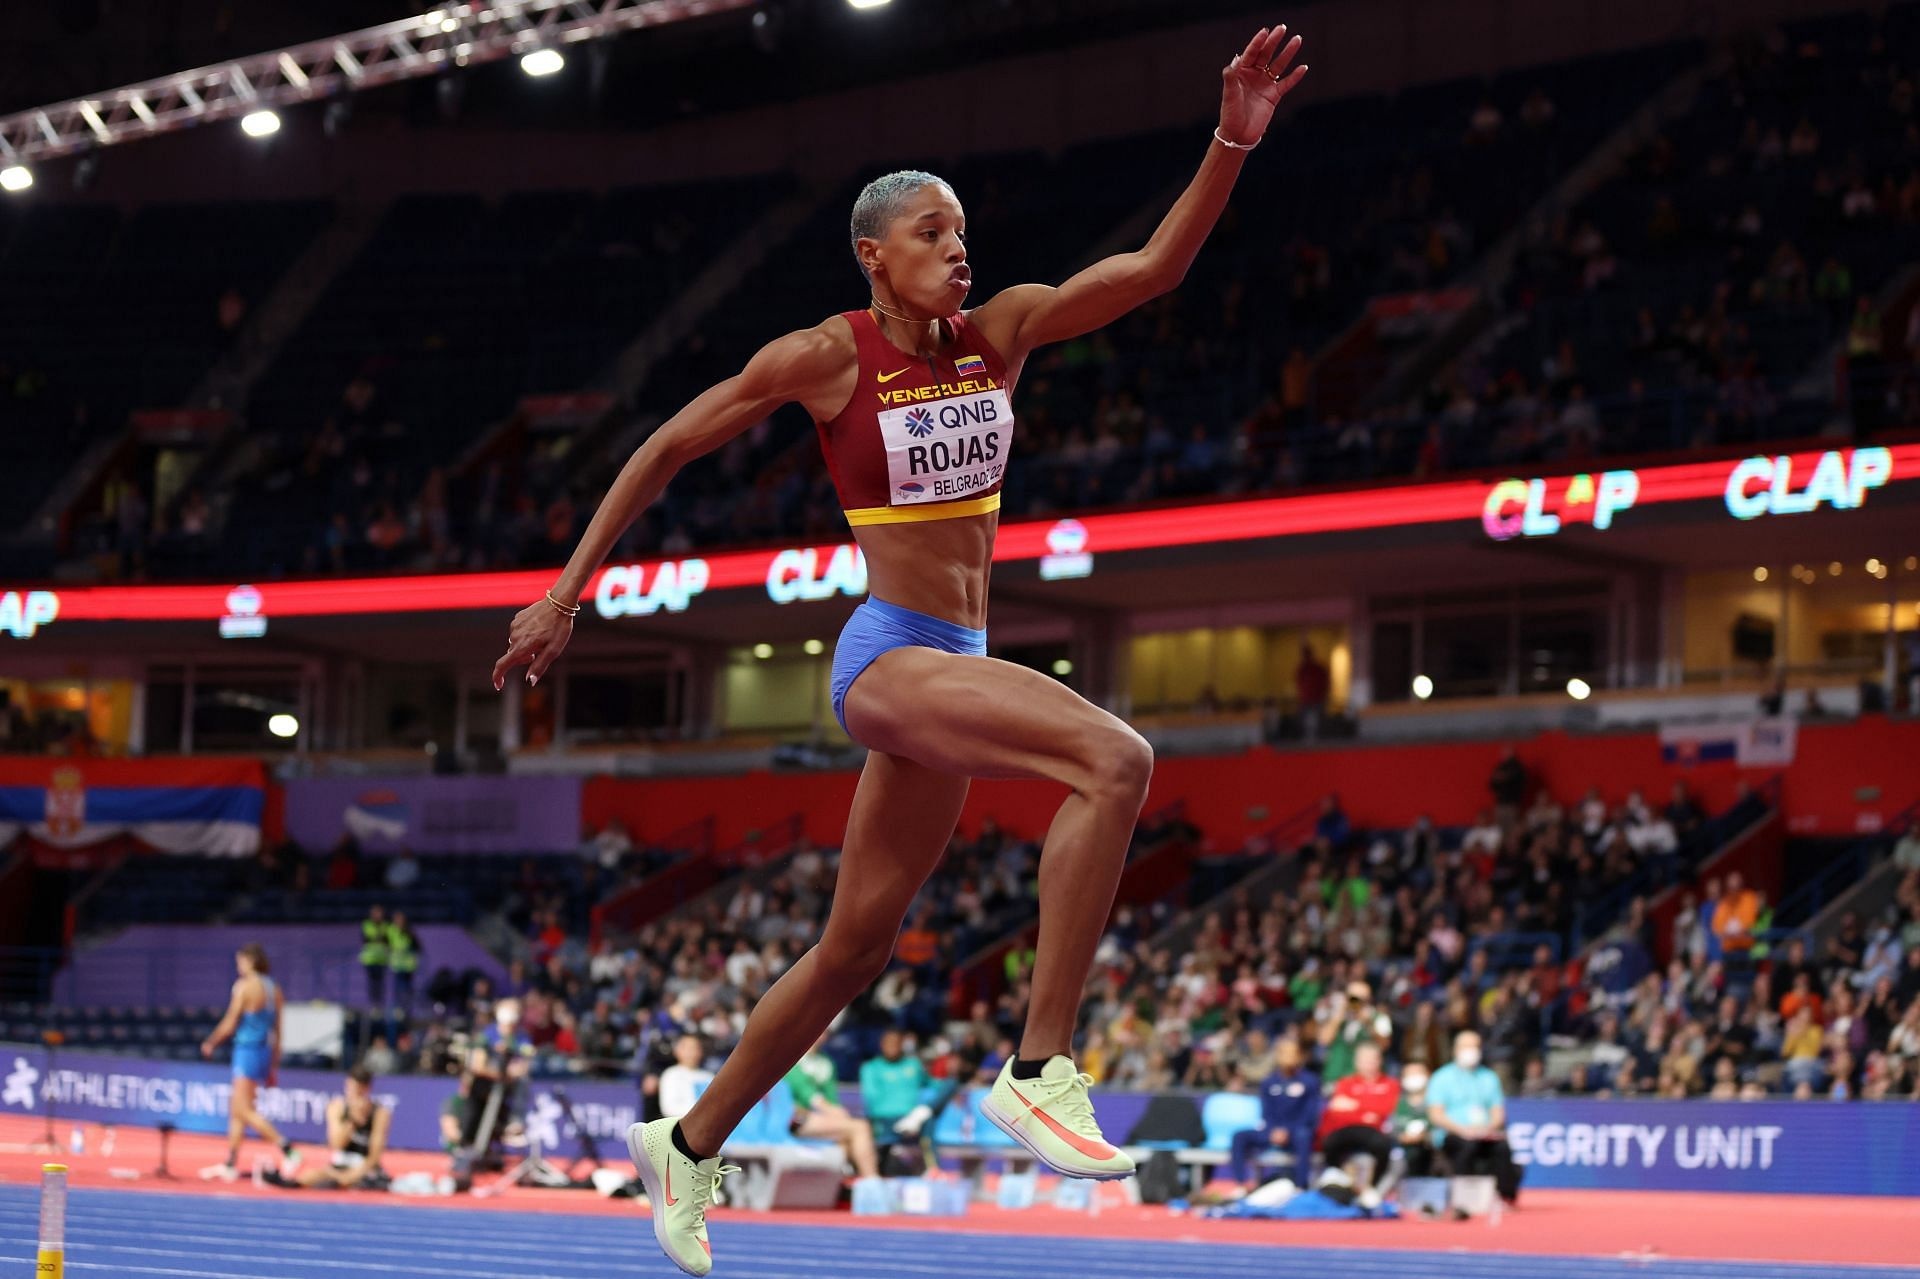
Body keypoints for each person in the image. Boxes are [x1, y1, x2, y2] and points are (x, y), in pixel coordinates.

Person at [490, 22, 1309, 1276]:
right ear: (875, 255)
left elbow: (1150, 269)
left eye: (965, 232)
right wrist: (564, 594)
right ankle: (1038, 1067)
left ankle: (690, 1141)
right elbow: (664, 446)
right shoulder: (828, 356)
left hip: (959, 654)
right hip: (888, 656)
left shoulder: (1005, 335)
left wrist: (1232, 142)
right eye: (935, 233)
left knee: (855, 946)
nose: (960, 250)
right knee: (1115, 758)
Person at [199, 943, 300, 1181]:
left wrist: (211, 1042)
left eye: (240, 961)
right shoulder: (274, 988)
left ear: (250, 961)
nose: (238, 966)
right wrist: (274, 1065)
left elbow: (230, 1022)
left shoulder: (244, 987)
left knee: (244, 1110)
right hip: (264, 1052)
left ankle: (288, 1149)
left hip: (247, 1050)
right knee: (236, 1110)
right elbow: (279, 1031)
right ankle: (231, 1162)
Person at [1426, 1030, 1521, 1204]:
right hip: (1453, 1133)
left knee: (1502, 1147)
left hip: (1483, 1132)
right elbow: (1436, 1115)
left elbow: (1498, 1113)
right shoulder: (1442, 1077)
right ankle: (1465, 1198)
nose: (1471, 1051)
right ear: (1455, 1050)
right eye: (1466, 1046)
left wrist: (1487, 1129)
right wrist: (1463, 1130)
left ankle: (1505, 1196)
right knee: (1466, 1147)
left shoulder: (1488, 1077)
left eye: (1475, 1046)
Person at [266, 1066, 392, 1190]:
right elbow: (336, 1144)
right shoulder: (337, 1107)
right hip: (341, 1164)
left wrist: (351, 1175)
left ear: (366, 1089)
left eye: (357, 1090)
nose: (352, 1093)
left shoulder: (379, 1113)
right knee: (315, 1174)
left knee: (357, 1180)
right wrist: (352, 1121)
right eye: (349, 1088)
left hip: (365, 1168)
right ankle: (290, 1183)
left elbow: (375, 1156)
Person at [783, 1029, 880, 1179]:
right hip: (795, 1119)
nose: (819, 1034)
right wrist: (839, 1115)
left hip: (820, 1117)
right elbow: (808, 1095)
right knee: (860, 1127)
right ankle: (871, 1180)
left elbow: (832, 1098)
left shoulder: (827, 1062)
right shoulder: (791, 1059)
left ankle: (842, 1182)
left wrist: (839, 1113)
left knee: (847, 1137)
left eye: (823, 1031)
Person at [1316, 1044, 1402, 1208]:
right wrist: (1366, 1112)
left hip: (1374, 1131)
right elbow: (1336, 1111)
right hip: (1347, 1129)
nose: (1368, 1064)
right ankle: (1338, 1185)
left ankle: (1373, 1190)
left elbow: (1385, 1110)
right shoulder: (1346, 1083)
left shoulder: (1390, 1084)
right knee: (1329, 1143)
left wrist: (1355, 1106)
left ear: (1379, 1061)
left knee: (1381, 1146)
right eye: (1364, 1060)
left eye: (1372, 1060)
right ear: (1356, 1062)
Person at [1231, 1035, 1319, 1191]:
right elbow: (1266, 1112)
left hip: (1295, 1133)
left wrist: (1288, 1131)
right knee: (1239, 1136)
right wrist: (1272, 1130)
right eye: (1284, 1052)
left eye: (1292, 1053)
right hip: (1272, 1132)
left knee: (1304, 1136)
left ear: (1299, 1055)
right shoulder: (1269, 1082)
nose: (1288, 1057)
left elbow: (1310, 1114)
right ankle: (1241, 1184)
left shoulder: (1309, 1081)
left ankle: (1300, 1186)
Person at [660, 1034, 715, 1119]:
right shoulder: (671, 1074)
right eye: (687, 1048)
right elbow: (669, 1108)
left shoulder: (708, 1076)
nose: (691, 1052)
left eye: (695, 1048)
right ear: (677, 1051)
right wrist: (701, 1112)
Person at [386, 911, 421, 1012]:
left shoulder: (409, 931)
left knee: (408, 988)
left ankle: (407, 1008)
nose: (399, 921)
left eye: (401, 919)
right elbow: (387, 945)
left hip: (409, 965)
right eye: (397, 919)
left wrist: (409, 950)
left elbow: (417, 947)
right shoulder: (390, 930)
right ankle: (399, 1008)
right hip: (397, 964)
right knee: (398, 988)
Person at [360, 905, 389, 1009]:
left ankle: (380, 1005)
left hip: (382, 960)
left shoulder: (386, 925)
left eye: (379, 913)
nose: (377, 915)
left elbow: (387, 939)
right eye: (375, 913)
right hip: (370, 959)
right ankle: (373, 1006)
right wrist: (380, 937)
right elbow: (369, 937)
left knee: (380, 984)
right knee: (372, 984)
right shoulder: (366, 924)